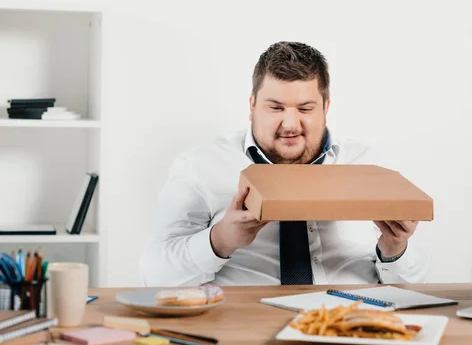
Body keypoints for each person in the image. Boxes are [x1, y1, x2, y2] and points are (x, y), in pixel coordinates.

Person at [140, 41, 431, 287]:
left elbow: (414, 284)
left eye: (305, 109)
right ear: (252, 105)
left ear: (325, 107)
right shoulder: (200, 165)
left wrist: (395, 249)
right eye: (275, 108)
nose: (290, 124)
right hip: (247, 326)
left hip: (348, 322)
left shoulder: (369, 165)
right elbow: (154, 275)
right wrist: (220, 240)